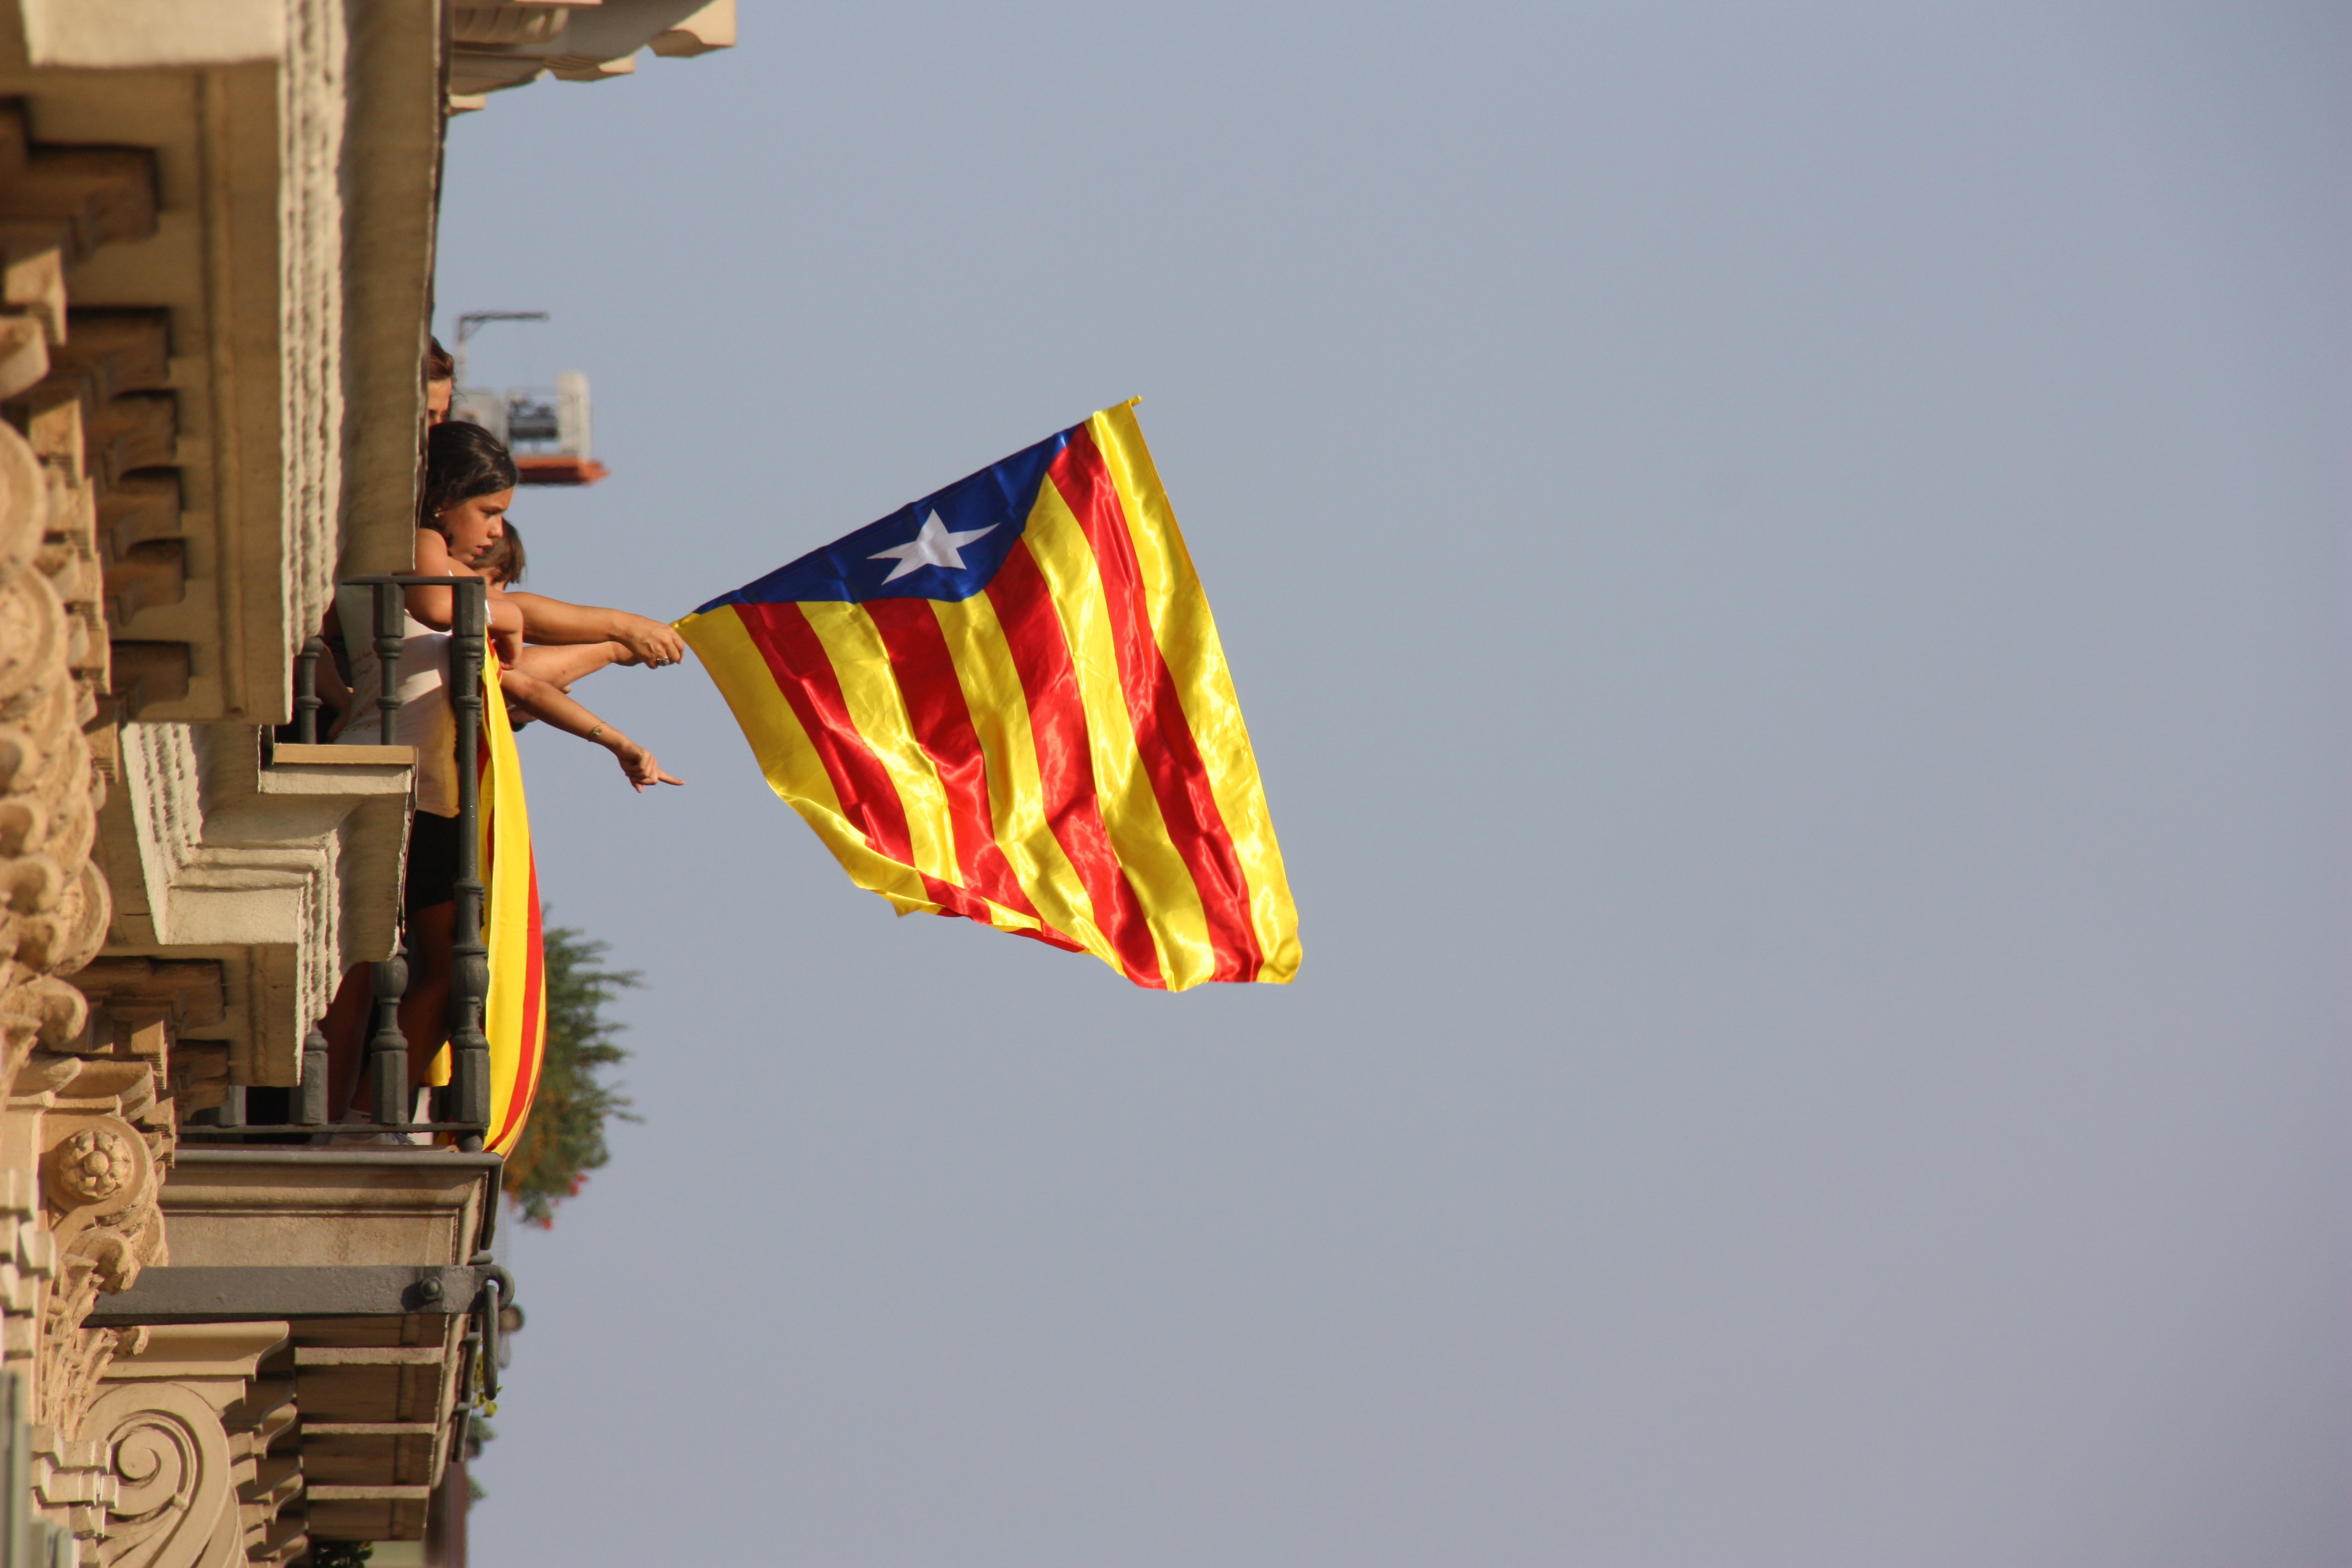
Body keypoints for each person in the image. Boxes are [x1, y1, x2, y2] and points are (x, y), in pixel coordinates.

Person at [476, 524, 684, 793]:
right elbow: (515, 617)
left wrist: (619, 743)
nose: (500, 596)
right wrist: (621, 634)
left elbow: (529, 689)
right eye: (495, 582)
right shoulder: (441, 591)